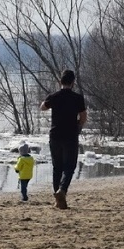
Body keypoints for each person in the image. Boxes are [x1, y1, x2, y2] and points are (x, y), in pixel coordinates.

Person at [40, 70, 87, 210]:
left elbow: (42, 108)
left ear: (60, 82)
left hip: (55, 135)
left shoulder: (54, 96)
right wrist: (78, 128)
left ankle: (57, 198)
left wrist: (46, 100)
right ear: (73, 83)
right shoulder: (78, 98)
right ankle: (62, 190)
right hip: (70, 135)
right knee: (69, 166)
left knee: (57, 167)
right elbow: (83, 117)